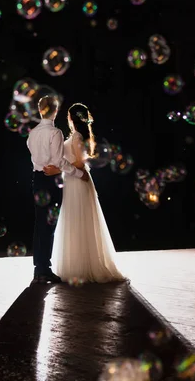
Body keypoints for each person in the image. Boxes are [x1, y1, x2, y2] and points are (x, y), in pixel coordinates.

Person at [45, 103, 125, 283]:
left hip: (77, 181)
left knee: (79, 220)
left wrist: (58, 170)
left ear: (71, 118)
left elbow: (80, 163)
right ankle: (77, 265)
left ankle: (82, 267)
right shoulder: (76, 136)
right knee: (75, 220)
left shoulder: (77, 137)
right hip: (73, 180)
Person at [27, 95, 89, 284]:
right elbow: (58, 161)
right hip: (51, 181)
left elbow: (34, 158)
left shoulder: (33, 133)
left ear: (40, 110)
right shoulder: (55, 133)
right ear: (55, 111)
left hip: (37, 179)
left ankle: (39, 269)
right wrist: (80, 174)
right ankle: (44, 269)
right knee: (49, 225)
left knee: (39, 224)